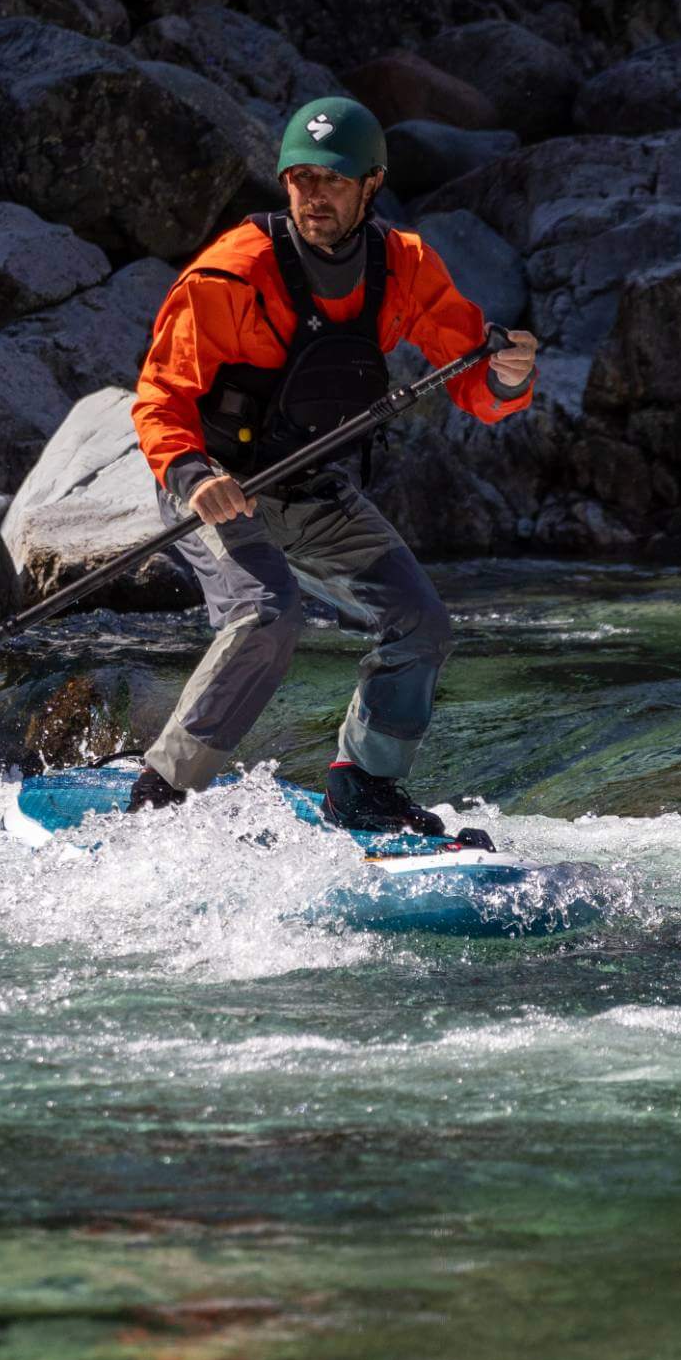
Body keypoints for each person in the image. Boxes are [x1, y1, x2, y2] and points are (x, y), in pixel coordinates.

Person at [126, 96, 539, 832]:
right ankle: (163, 790)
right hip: (220, 485)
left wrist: (509, 374)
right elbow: (160, 396)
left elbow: (477, 378)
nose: (314, 196)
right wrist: (195, 478)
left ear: (371, 185)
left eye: (334, 181)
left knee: (420, 621)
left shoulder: (404, 266)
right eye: (302, 179)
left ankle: (363, 785)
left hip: (317, 493)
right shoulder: (233, 274)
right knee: (267, 610)